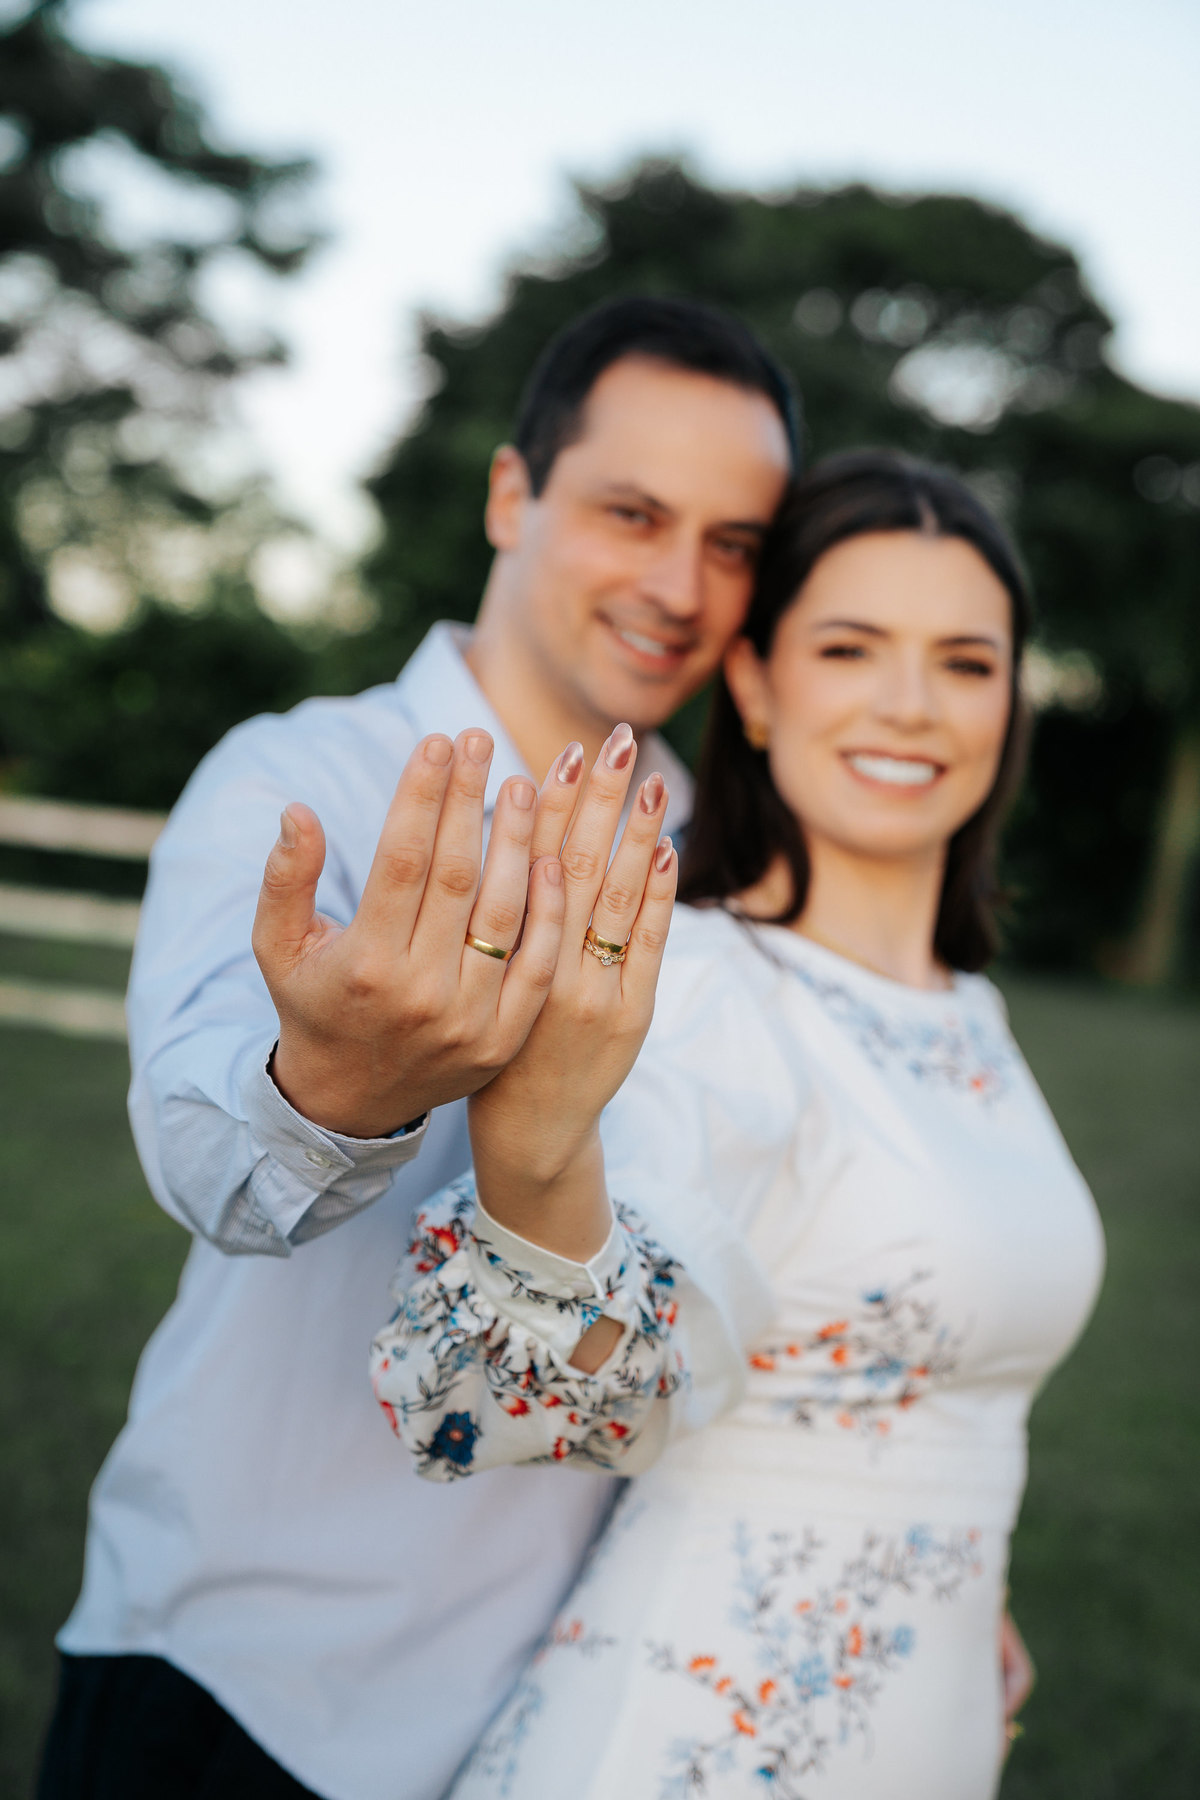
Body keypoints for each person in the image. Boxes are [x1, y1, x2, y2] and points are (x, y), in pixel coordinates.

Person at [38, 298, 796, 1800]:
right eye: (633, 513)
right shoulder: (300, 777)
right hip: (249, 1670)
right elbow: (202, 1160)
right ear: (513, 493)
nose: (679, 587)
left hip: (549, 1718)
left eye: (732, 544)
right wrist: (338, 1087)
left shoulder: (731, 870)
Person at [371, 451, 1106, 1799]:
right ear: (756, 685)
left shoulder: (972, 1013)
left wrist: (950, 1576)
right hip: (686, 1744)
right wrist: (537, 1150)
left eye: (964, 662)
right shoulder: (703, 990)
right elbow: (526, 1394)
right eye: (850, 648)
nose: (910, 704)